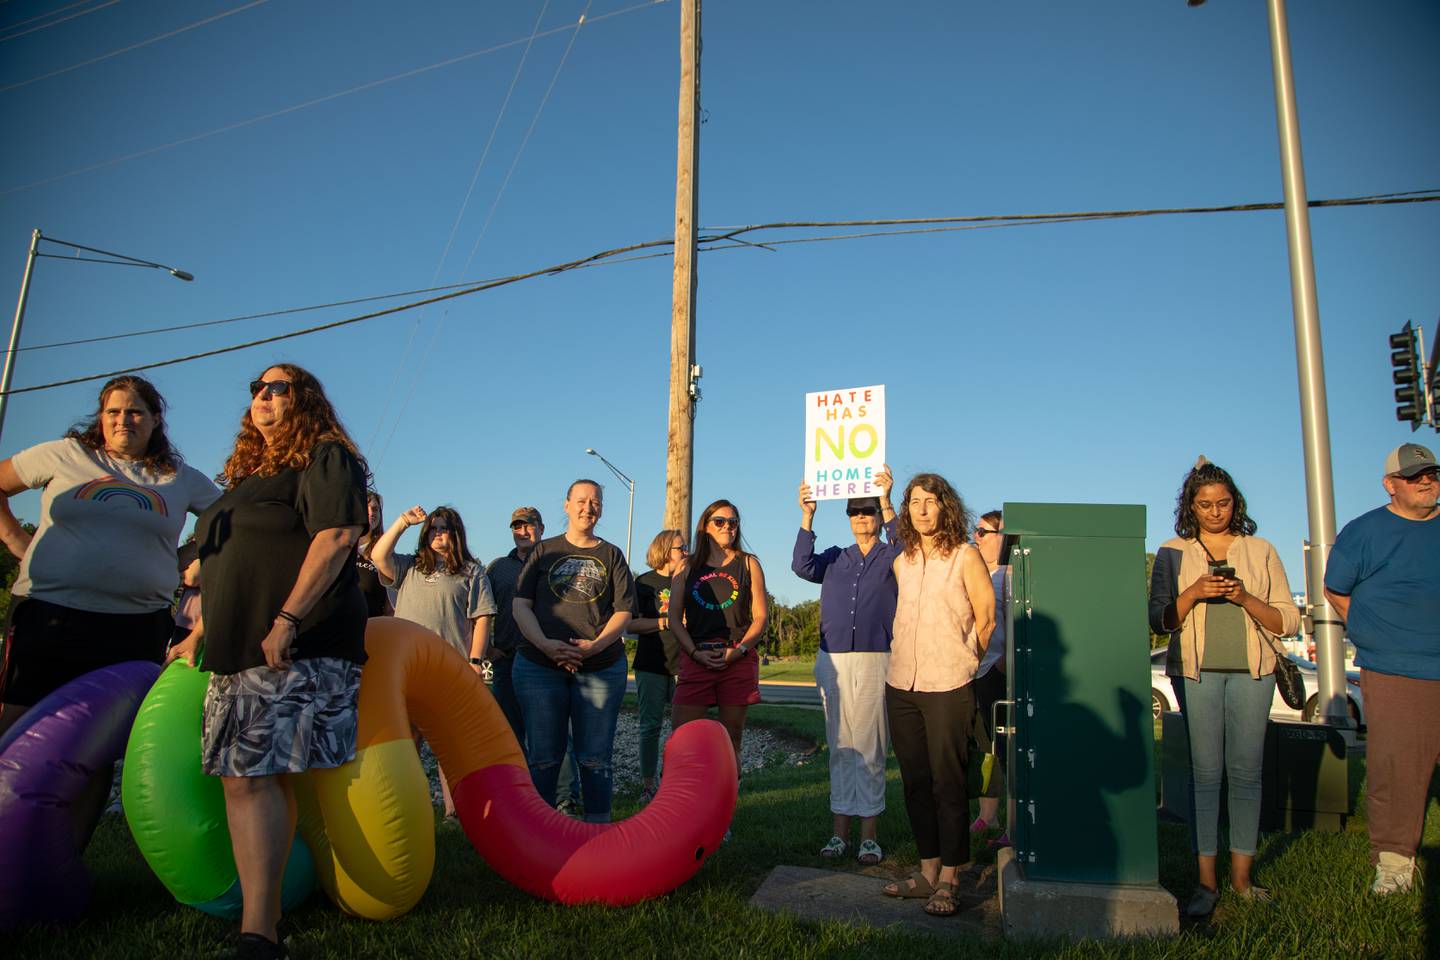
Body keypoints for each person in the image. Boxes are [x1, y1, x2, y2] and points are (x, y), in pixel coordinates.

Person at [168, 364, 368, 960]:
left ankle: (259, 932)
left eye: (277, 387)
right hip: (238, 643)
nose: (262, 396)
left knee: (249, 777)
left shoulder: (325, 455)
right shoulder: (252, 474)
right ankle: (265, 914)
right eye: (256, 388)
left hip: (290, 640)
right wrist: (199, 630)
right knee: (249, 778)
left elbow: (336, 536)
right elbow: (234, 560)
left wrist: (288, 619)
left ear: (304, 398)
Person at [0, 375, 219, 742]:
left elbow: (232, 523)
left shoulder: (181, 478)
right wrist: (15, 540)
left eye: (135, 412)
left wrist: (183, 555)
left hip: (135, 627)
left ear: (155, 419)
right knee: (14, 726)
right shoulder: (65, 455)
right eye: (112, 411)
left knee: (98, 741)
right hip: (48, 615)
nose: (123, 420)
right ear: (100, 417)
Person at [1148, 457, 1299, 917]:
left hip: (1254, 672)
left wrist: (1244, 597)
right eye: (1205, 504)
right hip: (1196, 673)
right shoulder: (1173, 551)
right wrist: (1193, 592)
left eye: (1223, 503)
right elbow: (1158, 619)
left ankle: (1243, 879)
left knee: (1247, 774)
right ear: (1191, 507)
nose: (1215, 512)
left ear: (1236, 503)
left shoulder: (1262, 550)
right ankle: (1206, 883)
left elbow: (1288, 620)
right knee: (1206, 775)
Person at [1323, 442, 1440, 896]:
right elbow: (1336, 590)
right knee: (1397, 769)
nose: (1427, 481)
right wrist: (1374, 631)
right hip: (1396, 669)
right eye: (1415, 477)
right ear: (1391, 485)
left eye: (1431, 473)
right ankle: (1394, 864)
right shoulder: (1365, 531)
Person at [880, 473, 994, 918]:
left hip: (949, 684)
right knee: (915, 784)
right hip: (901, 684)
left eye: (930, 501)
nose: (922, 509)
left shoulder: (965, 555)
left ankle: (951, 876)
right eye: (914, 502)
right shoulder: (902, 560)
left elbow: (986, 619)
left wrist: (965, 663)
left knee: (948, 783)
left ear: (946, 507)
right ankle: (927, 871)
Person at [792, 466, 898, 866]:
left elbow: (908, 549)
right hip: (832, 658)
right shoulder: (837, 558)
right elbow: (801, 565)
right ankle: (839, 834)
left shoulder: (894, 557)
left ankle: (869, 836)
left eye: (868, 512)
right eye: (855, 512)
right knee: (840, 745)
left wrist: (887, 501)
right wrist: (807, 515)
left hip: (876, 657)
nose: (862, 518)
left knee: (870, 746)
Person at [511, 479, 634, 823]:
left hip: (600, 667)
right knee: (544, 758)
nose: (588, 508)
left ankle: (598, 835)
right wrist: (546, 645)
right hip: (539, 667)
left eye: (595, 502)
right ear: (566, 506)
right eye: (580, 501)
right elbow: (521, 606)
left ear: (601, 509)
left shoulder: (611, 555)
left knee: (595, 759)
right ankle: (538, 835)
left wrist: (595, 645)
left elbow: (624, 611)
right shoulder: (543, 551)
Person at [372, 503, 497, 820]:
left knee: (447, 746)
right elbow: (378, 556)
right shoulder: (409, 567)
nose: (439, 534)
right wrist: (403, 522)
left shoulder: (471, 571)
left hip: (450, 668)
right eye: (434, 528)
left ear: (457, 534)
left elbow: (481, 618)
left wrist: (474, 661)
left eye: (446, 528)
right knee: (407, 740)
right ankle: (408, 808)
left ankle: (453, 811)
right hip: (409, 669)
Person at [669, 500, 769, 776]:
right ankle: (683, 808)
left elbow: (760, 618)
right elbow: (675, 619)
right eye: (720, 521)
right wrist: (693, 653)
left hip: (736, 660)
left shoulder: (749, 564)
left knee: (731, 740)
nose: (728, 527)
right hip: (696, 657)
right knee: (683, 739)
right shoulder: (687, 567)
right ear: (705, 526)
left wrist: (740, 650)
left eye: (733, 522)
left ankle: (726, 812)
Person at [631, 527, 687, 803]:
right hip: (651, 664)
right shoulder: (644, 583)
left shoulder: (689, 581)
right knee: (650, 727)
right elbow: (630, 623)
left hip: (683, 665)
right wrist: (665, 622)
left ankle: (676, 783)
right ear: (666, 551)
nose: (686, 552)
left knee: (684, 730)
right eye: (681, 548)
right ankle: (648, 785)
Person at [969, 509, 1010, 848]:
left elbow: (1020, 624)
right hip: (975, 672)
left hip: (998, 673)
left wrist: (1003, 665)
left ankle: (1015, 823)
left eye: (982, 532)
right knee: (985, 750)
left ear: (1002, 536)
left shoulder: (1011, 575)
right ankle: (987, 815)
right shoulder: (977, 571)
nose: (976, 537)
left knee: (1008, 750)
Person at [486, 506, 544, 747]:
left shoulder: (551, 563)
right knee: (509, 734)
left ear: (541, 529)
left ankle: (545, 784)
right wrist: (488, 648)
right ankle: (515, 782)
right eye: (517, 526)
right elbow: (481, 609)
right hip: (506, 658)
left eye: (529, 525)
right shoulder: (498, 567)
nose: (523, 531)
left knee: (544, 732)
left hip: (543, 660)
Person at [356, 491, 393, 617]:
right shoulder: (341, 548)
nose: (371, 512)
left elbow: (390, 606)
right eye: (366, 507)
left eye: (375, 509)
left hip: (372, 628)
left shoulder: (385, 554)